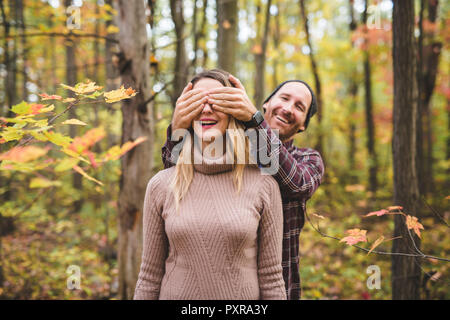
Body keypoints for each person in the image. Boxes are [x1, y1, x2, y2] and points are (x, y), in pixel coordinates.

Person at [162, 76, 325, 300]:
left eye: (299, 107)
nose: (288, 108)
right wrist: (177, 129)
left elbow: (295, 184)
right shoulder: (229, 147)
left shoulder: (308, 159)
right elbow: (175, 179)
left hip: (278, 287)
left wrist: (255, 121)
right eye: (284, 98)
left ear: (304, 123)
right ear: (266, 103)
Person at [134, 69, 287, 300]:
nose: (206, 109)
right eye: (197, 102)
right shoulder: (161, 184)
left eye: (217, 101)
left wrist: (253, 118)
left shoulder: (264, 184)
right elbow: (149, 276)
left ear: (234, 111)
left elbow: (272, 279)